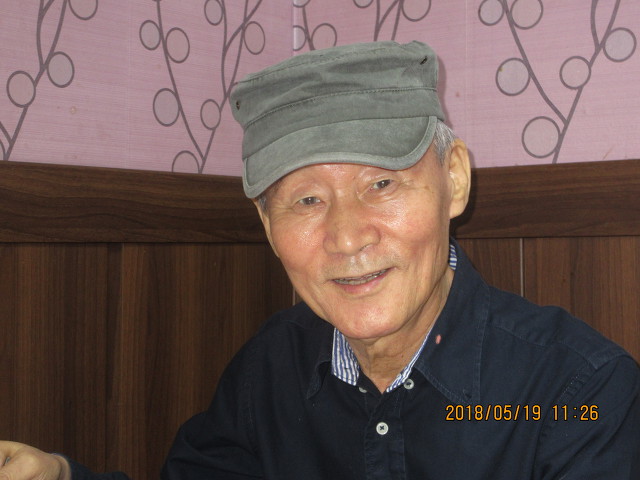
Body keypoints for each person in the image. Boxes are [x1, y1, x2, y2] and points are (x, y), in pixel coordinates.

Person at [1, 41, 638, 480]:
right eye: (306, 200)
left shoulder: (578, 393)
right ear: (266, 225)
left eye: (382, 184)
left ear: (455, 180)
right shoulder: (268, 370)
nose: (347, 238)